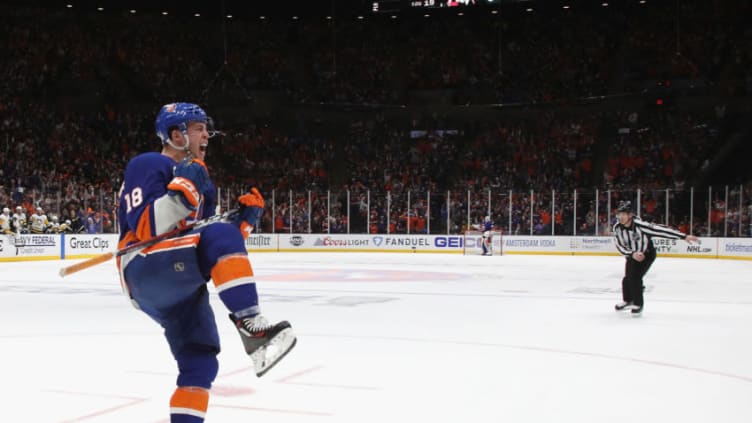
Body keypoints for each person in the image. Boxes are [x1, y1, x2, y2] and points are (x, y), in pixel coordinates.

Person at [116, 102, 296, 423]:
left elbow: (214, 250)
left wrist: (245, 223)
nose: (207, 136)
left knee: (200, 362)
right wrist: (185, 186)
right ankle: (252, 327)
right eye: (199, 128)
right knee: (220, 233)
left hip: (178, 283)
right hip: (143, 263)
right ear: (176, 135)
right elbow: (148, 228)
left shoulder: (203, 183)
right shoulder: (149, 163)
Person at [612, 201, 699, 315]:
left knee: (635, 277)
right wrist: (632, 254)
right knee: (627, 278)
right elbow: (619, 245)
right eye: (619, 214)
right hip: (632, 255)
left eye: (624, 214)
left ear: (630, 215)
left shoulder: (641, 225)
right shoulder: (617, 228)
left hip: (647, 254)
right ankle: (628, 300)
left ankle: (638, 303)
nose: (621, 217)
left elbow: (661, 230)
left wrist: (683, 236)